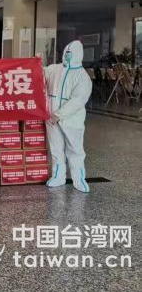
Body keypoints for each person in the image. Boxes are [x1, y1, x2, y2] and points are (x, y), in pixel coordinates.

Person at [44, 40, 92, 193]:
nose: (67, 56)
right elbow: (39, 74)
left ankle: (79, 179)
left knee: (75, 149)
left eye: (70, 54)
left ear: (78, 55)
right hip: (51, 118)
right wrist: (35, 63)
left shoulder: (82, 77)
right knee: (56, 149)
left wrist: (58, 114)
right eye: (66, 53)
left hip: (71, 119)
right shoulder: (54, 69)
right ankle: (58, 176)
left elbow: (77, 100)